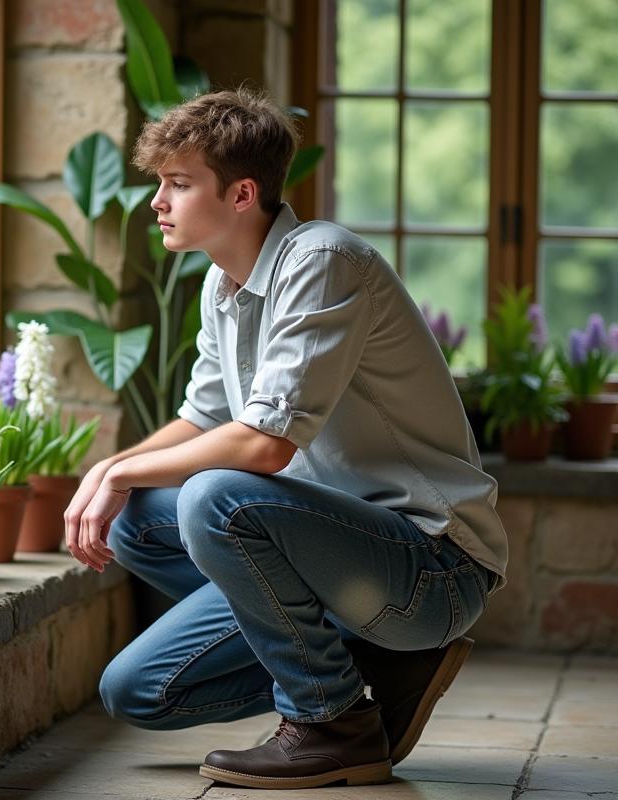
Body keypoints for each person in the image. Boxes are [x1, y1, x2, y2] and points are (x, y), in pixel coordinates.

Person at [63, 88, 507, 791]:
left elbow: (264, 446)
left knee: (213, 499)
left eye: (178, 184)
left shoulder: (322, 260)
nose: (158, 202)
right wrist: (109, 471)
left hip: (429, 568)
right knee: (137, 634)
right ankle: (363, 663)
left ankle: (330, 721)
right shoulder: (223, 285)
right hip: (328, 557)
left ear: (242, 194)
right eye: (161, 184)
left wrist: (121, 473)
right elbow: (205, 417)